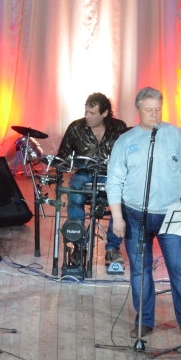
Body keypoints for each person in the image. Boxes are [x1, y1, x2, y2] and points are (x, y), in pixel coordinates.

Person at [107, 87, 181, 339]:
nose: (154, 114)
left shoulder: (176, 136)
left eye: (158, 109)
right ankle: (144, 321)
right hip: (134, 215)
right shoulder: (126, 141)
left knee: (180, 271)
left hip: (171, 214)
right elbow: (114, 181)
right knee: (140, 271)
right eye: (148, 110)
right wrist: (117, 217)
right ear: (138, 110)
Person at [56, 92, 129, 263]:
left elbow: (129, 154)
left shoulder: (119, 127)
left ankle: (112, 248)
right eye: (86, 112)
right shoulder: (76, 127)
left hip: (112, 175)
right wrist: (60, 163)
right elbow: (63, 155)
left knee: (124, 197)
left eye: (92, 113)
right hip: (84, 174)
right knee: (74, 192)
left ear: (105, 113)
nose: (87, 116)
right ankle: (78, 246)